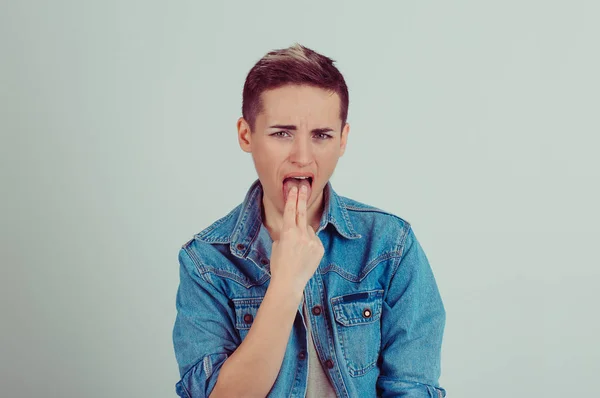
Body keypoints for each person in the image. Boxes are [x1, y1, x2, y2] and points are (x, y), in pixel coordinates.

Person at [172, 43, 446, 398]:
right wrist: (286, 284)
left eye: (321, 135)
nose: (302, 156)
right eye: (282, 133)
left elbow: (412, 387)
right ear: (245, 135)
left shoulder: (391, 245)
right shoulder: (205, 261)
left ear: (343, 139)